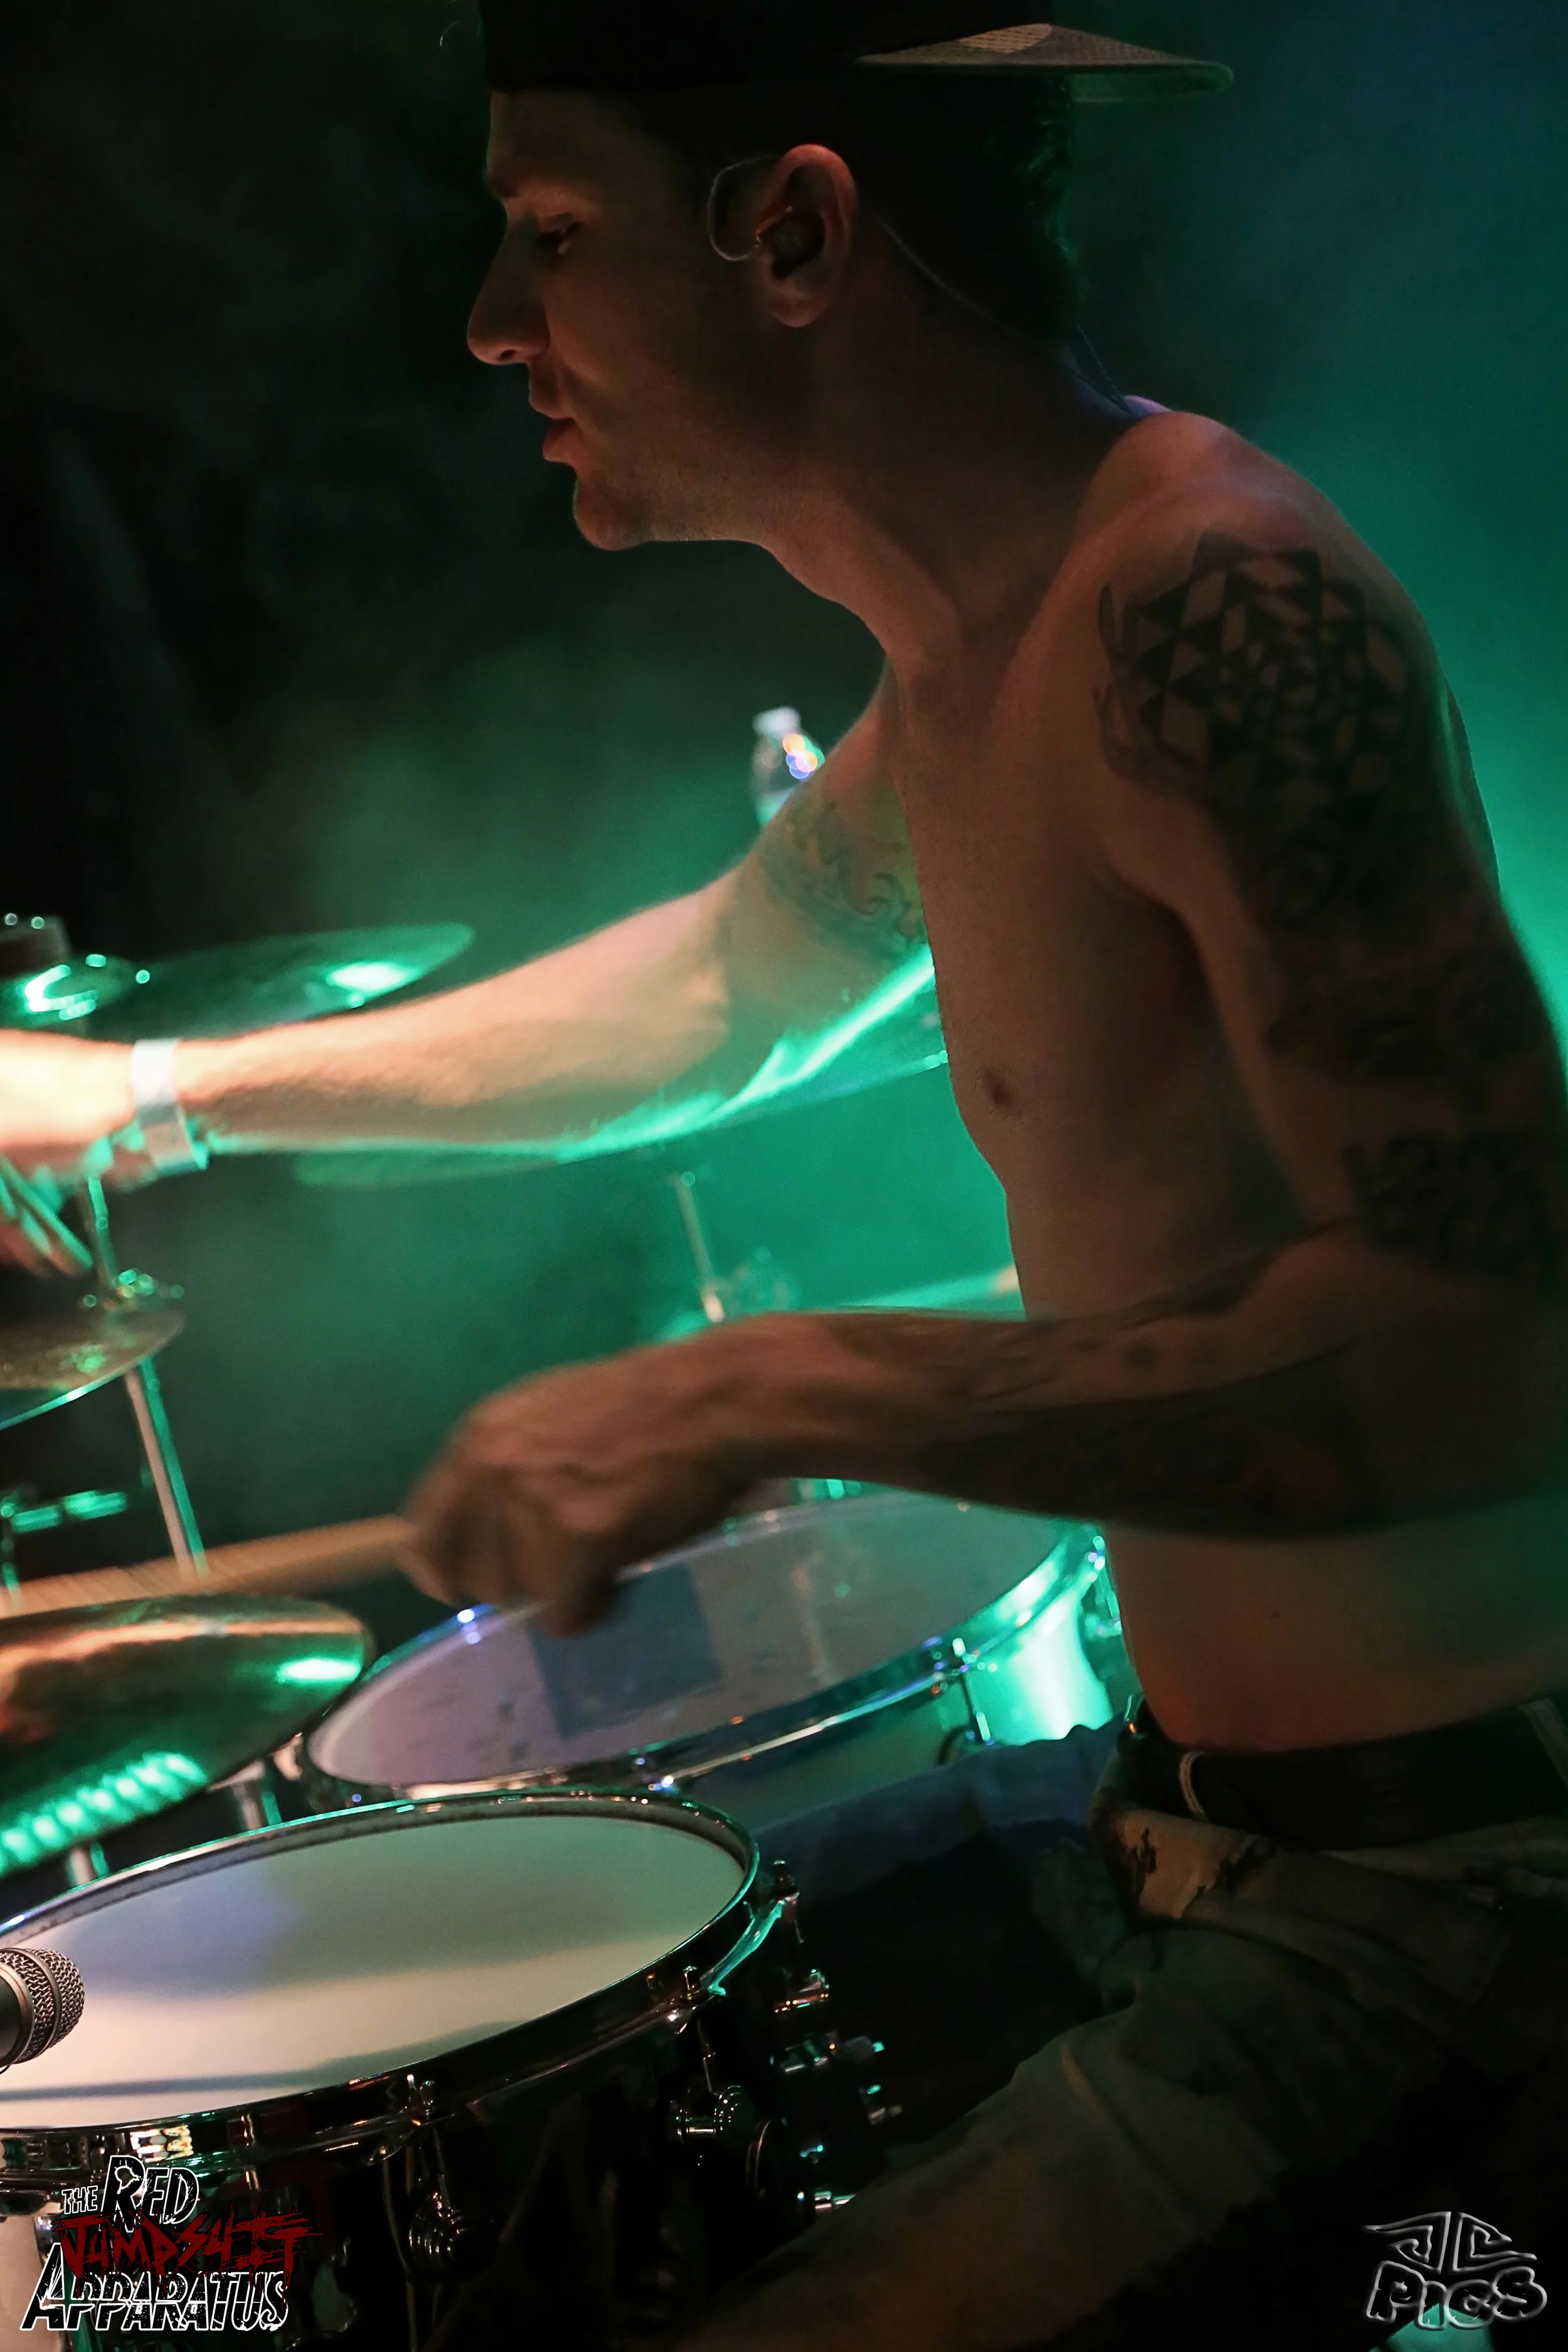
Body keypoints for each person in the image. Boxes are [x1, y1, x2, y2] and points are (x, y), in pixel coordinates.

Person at [3, 7, 1567, 2341]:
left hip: (1446, 1905)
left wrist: (767, 1387)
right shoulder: (980, 628)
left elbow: (1487, 1350)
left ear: (798, 236)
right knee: (306, 2209)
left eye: (551, 235)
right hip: (1184, 1821)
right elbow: (724, 990)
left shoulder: (1204, 601)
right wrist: (144, 1090)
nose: (491, 322)